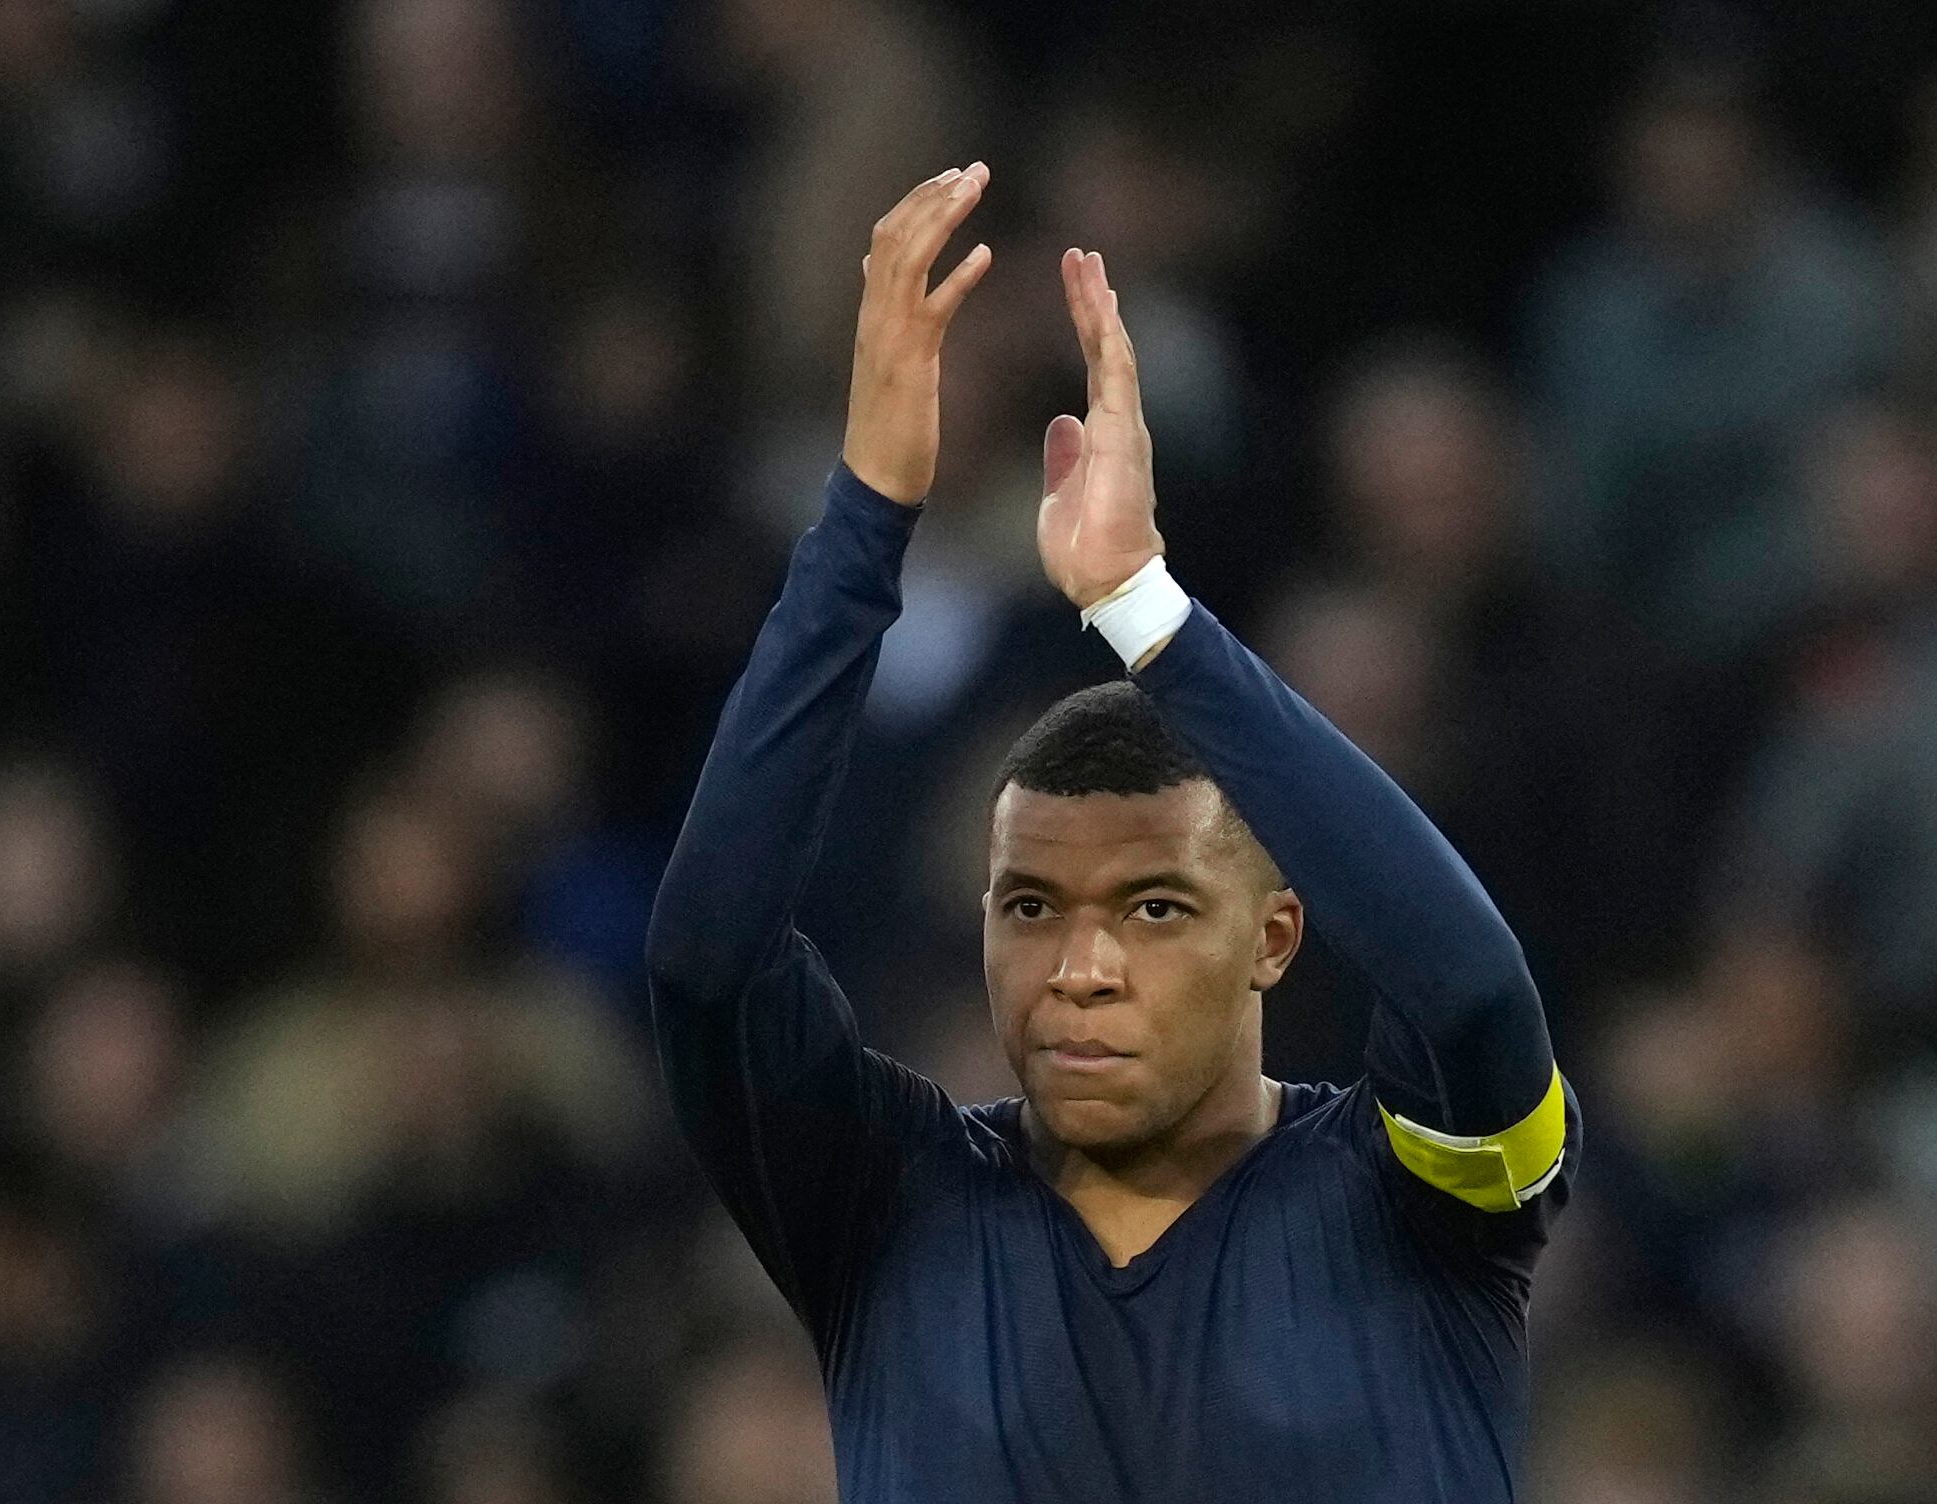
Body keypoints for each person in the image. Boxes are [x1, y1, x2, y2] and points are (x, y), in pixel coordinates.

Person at [646, 163, 1580, 1501]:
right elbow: (704, 959)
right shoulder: (891, 1212)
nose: (1082, 964)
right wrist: (865, 518)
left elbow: (1475, 992)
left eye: (1151, 906)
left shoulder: (1414, 1205)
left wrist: (1152, 617)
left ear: (1271, 934)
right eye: (1031, 907)